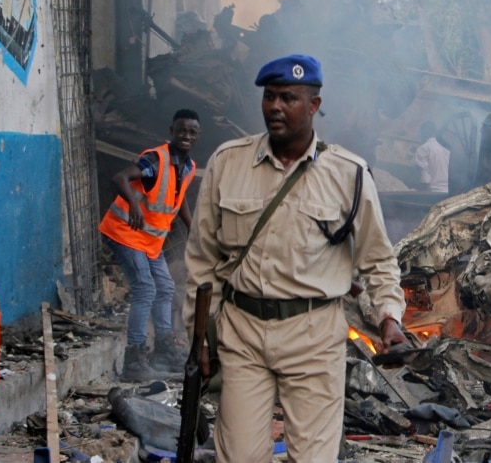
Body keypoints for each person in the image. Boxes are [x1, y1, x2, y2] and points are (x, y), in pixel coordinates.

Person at [184, 54, 407, 462]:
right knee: (239, 457)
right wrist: (199, 334)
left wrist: (388, 316)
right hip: (243, 333)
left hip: (314, 334)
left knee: (312, 458)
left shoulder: (349, 174)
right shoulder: (227, 162)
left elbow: (378, 259)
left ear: (314, 105)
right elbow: (202, 258)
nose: (275, 107)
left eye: (288, 98)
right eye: (269, 97)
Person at [98, 109, 201, 381]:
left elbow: (180, 200)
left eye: (192, 132)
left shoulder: (188, 167)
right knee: (145, 288)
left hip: (149, 240)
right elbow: (120, 177)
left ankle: (163, 351)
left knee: (165, 286)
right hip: (124, 232)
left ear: (197, 136)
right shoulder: (155, 160)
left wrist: (193, 228)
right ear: (171, 132)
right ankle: (135, 359)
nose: (186, 136)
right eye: (182, 131)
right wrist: (133, 202)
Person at [414, 120, 450, 192]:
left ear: (423, 133)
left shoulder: (423, 149)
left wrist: (418, 192)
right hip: (446, 192)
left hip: (432, 193)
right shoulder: (446, 151)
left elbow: (425, 180)